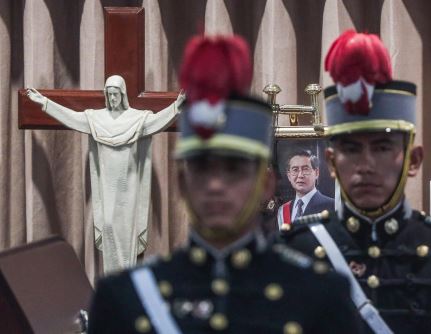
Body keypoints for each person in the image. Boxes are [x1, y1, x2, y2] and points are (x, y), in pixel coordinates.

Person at [87, 34, 362, 334]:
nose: (216, 185)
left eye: (234, 170)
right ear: (182, 182)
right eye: (203, 168)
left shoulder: (321, 297)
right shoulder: (125, 299)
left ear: (267, 183)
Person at [280, 30, 431, 333]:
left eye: (382, 148)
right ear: (331, 162)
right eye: (351, 148)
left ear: (414, 160)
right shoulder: (294, 250)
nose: (366, 165)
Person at [26, 76, 184, 273]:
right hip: (107, 187)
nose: (112, 98)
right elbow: (73, 118)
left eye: (115, 94)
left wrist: (176, 107)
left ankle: (124, 282)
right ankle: (112, 280)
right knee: (108, 225)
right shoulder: (96, 119)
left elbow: (156, 122)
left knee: (127, 233)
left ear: (123, 94)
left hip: (129, 186)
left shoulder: (136, 119)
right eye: (109, 94)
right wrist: (47, 104)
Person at [277, 149, 334, 228]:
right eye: (295, 170)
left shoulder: (332, 206)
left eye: (305, 169)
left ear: (316, 173)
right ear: (289, 176)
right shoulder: (283, 210)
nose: (300, 175)